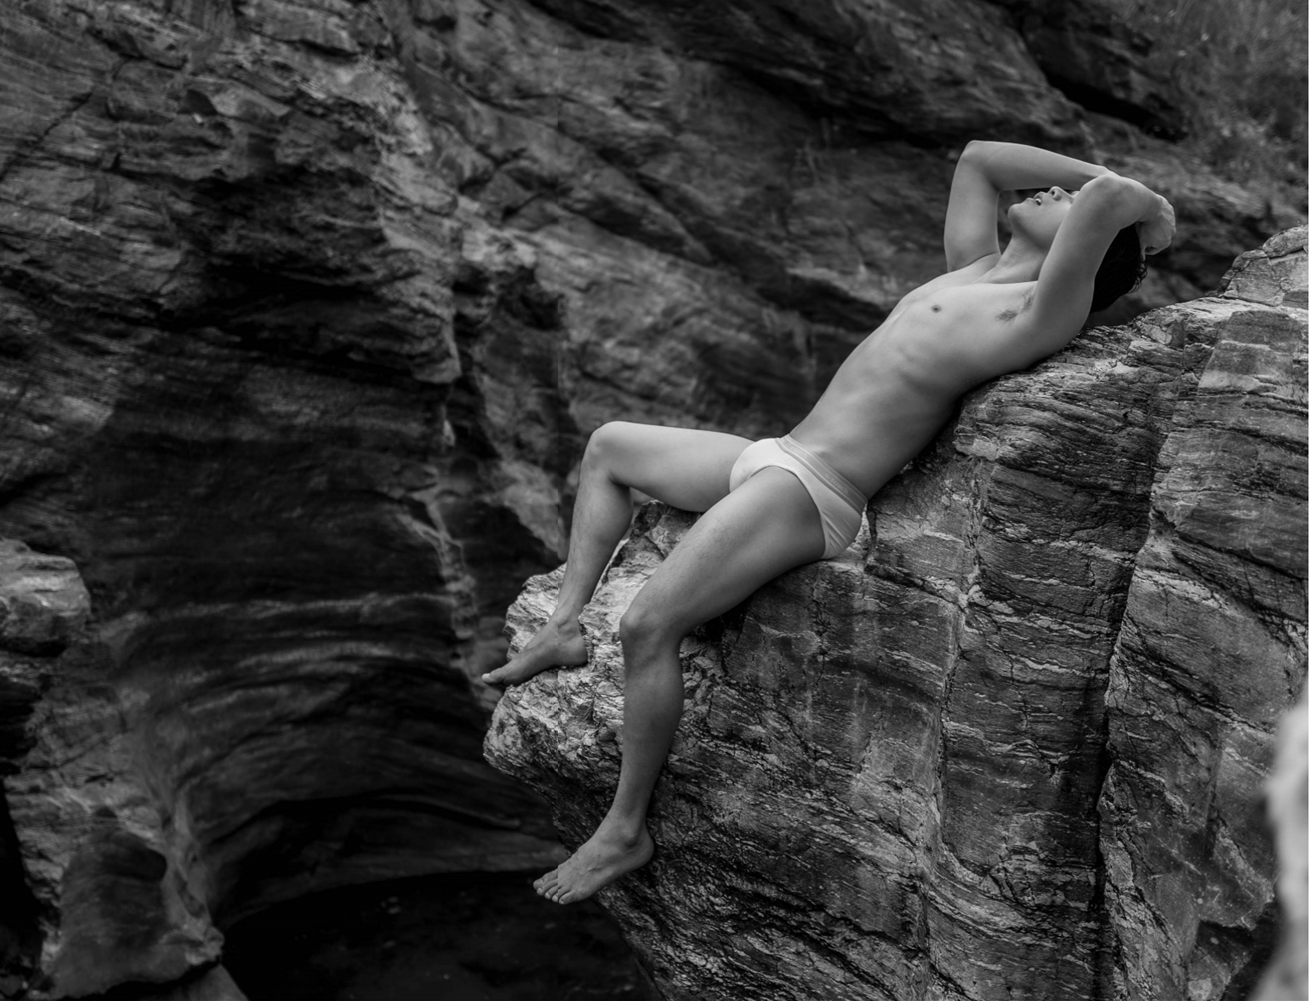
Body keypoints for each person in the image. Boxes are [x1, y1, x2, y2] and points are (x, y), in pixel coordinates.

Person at [481, 141, 1177, 904]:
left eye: (1064, 201)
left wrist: (1152, 217)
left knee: (647, 626)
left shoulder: (1035, 313)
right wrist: (1100, 202)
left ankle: (623, 830)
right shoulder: (969, 272)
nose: (1050, 189)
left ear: (1084, 247)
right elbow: (979, 160)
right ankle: (564, 625)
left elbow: (1110, 196)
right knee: (609, 446)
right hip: (775, 456)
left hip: (812, 493)